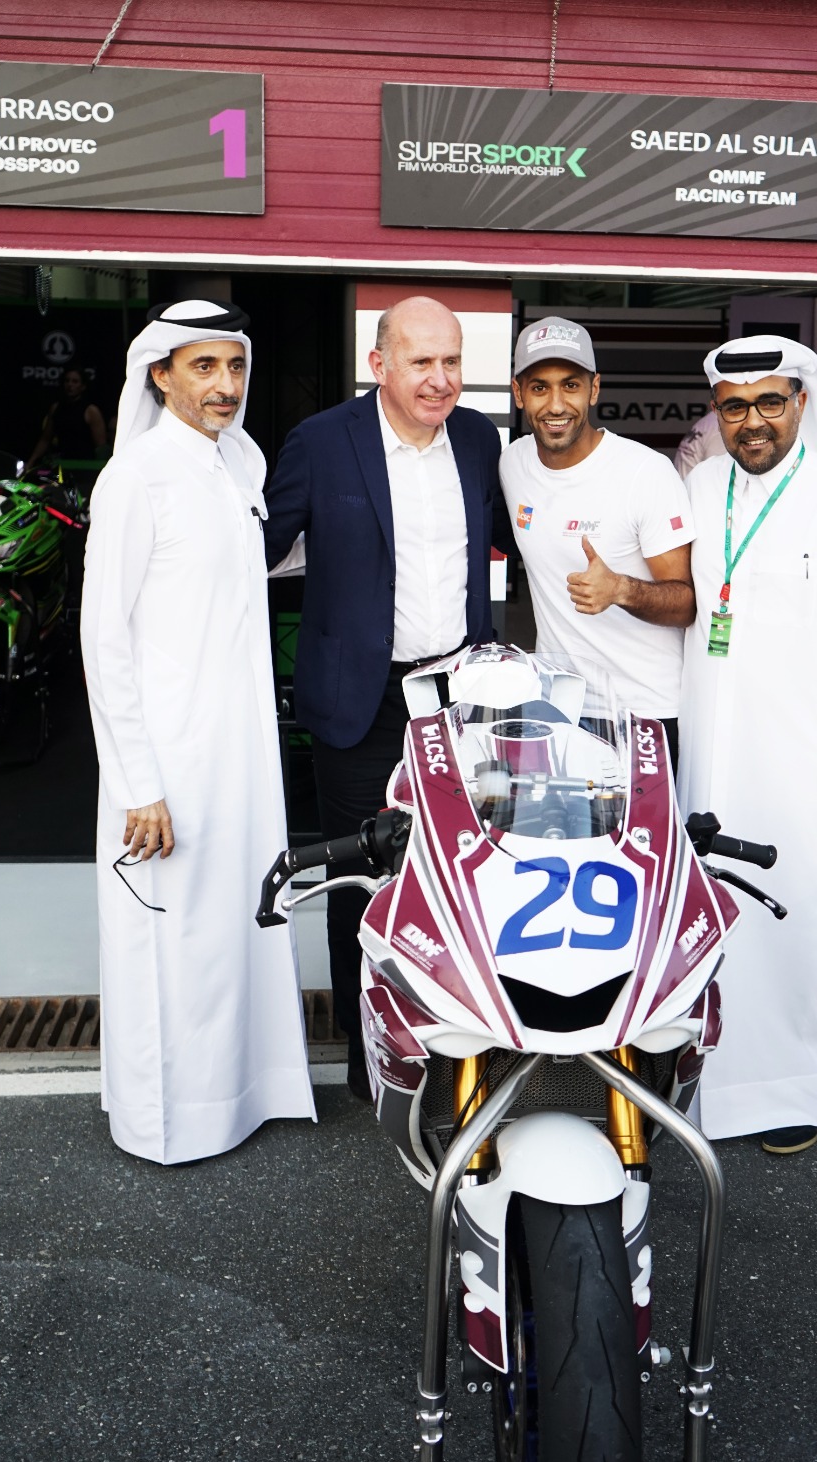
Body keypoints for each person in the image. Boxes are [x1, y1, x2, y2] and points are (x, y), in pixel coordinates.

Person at [80, 300, 315, 1164]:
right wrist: (138, 779)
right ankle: (166, 1121)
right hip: (169, 757)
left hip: (241, 751)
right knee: (172, 937)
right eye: (204, 367)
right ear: (161, 374)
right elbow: (103, 638)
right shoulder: (135, 475)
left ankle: (243, 1096)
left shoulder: (241, 460)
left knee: (237, 926)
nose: (225, 386)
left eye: (235, 366)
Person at [264, 296, 503, 1099]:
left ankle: (458, 1035)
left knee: (462, 870)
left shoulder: (477, 439)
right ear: (380, 365)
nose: (441, 381)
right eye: (421, 363)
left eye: (453, 363)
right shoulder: (322, 442)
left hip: (457, 699)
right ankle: (372, 1060)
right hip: (359, 700)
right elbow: (254, 555)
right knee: (365, 877)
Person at [677, 335, 817, 1155]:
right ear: (718, 414)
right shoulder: (701, 487)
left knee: (804, 917)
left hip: (813, 757)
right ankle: (707, 1084)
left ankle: (799, 1090)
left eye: (770, 402)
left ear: (801, 404)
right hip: (715, 749)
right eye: (735, 407)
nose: (753, 422)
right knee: (713, 914)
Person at [499, 317, 694, 767]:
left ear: (594, 389)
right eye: (539, 387)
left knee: (643, 840)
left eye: (570, 385)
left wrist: (621, 589)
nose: (555, 404)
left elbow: (687, 603)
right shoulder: (513, 463)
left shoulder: (644, 474)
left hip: (642, 715)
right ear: (518, 393)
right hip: (557, 710)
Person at [26, 365, 107, 471]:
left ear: (83, 386)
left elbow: (101, 447)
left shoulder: (91, 411)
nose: (70, 385)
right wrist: (31, 461)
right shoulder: (56, 408)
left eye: (75, 381)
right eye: (67, 381)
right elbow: (45, 439)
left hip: (86, 467)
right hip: (62, 465)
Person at [673, 406, 727, 482]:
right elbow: (718, 478)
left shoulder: (711, 421)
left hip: (685, 486)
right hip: (692, 489)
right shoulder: (721, 426)